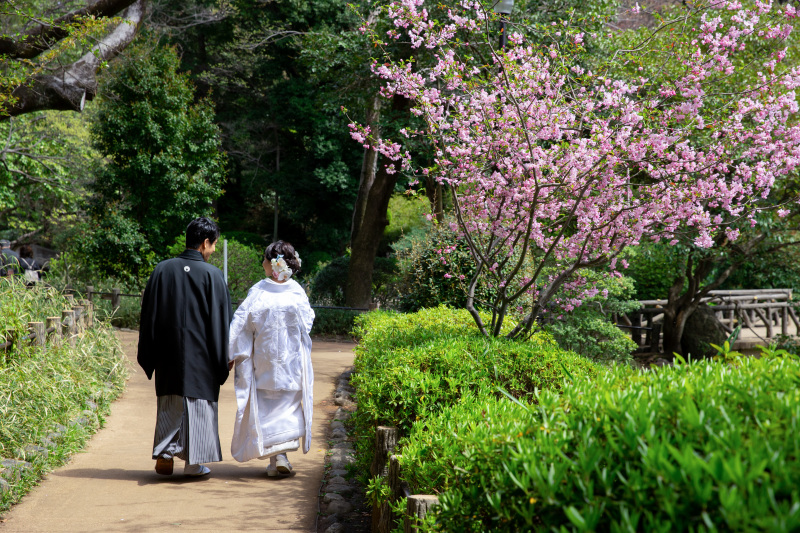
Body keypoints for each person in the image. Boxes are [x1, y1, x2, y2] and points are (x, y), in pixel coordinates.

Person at [137, 217, 231, 477]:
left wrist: (150, 353)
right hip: (202, 357)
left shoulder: (163, 269)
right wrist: (224, 356)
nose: (213, 251)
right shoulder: (213, 275)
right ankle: (193, 463)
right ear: (204, 243)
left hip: (169, 354)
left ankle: (166, 453)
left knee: (171, 403)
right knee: (198, 406)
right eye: (213, 245)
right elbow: (222, 322)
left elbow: (149, 316)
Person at [228, 240, 314, 476]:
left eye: (266, 259)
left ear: (273, 263)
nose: (263, 263)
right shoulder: (296, 292)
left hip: (263, 362)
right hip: (291, 362)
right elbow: (307, 323)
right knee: (287, 408)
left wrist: (231, 352)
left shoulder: (258, 292)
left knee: (266, 409)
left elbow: (240, 324)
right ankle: (280, 456)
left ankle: (276, 458)